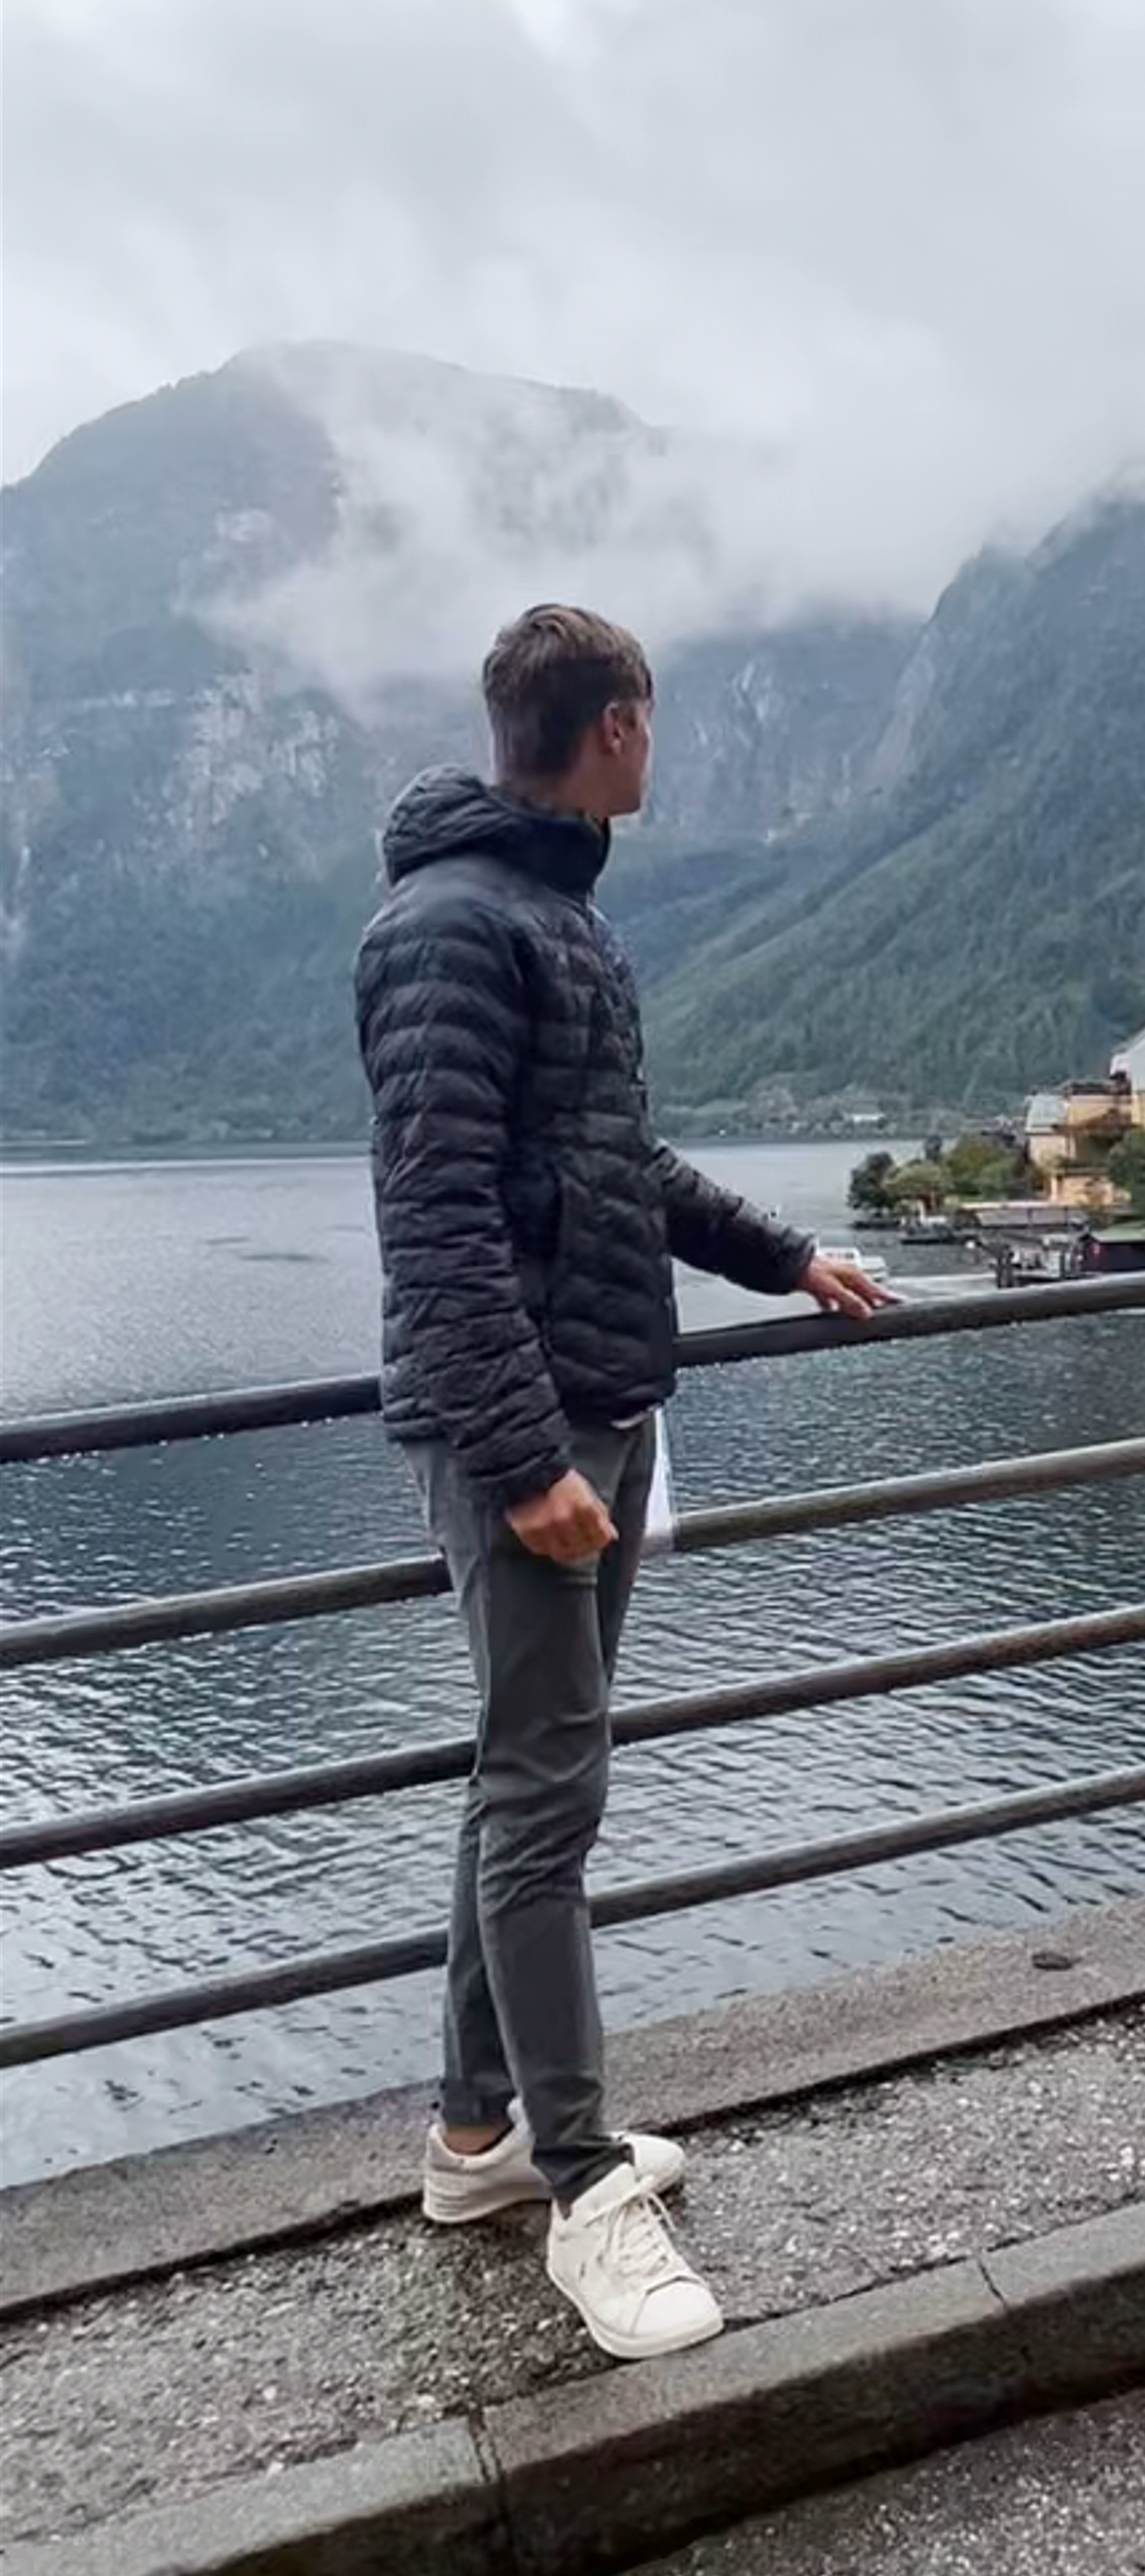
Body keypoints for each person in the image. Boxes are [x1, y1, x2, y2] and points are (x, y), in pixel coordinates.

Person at [354, 603, 888, 2362]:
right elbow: (434, 1218)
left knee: (529, 1781)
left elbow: (611, 1164)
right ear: (617, 725)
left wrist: (784, 1253)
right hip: (534, 1433)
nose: (664, 744)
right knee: (546, 1807)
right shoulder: (451, 927)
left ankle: (478, 2142)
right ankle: (586, 2191)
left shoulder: (547, 911)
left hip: (600, 1404)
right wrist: (520, 1464)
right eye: (656, 720)